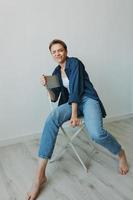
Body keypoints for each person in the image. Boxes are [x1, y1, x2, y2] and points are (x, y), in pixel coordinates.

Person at [27, 39, 128, 200]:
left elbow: (76, 89)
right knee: (51, 119)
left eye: (60, 50)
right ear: (51, 54)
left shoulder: (75, 63)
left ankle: (120, 153)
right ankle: (40, 176)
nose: (57, 53)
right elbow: (55, 97)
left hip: (87, 99)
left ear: (66, 51)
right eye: (54, 52)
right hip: (71, 102)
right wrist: (47, 86)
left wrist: (74, 115)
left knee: (96, 133)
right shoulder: (55, 72)